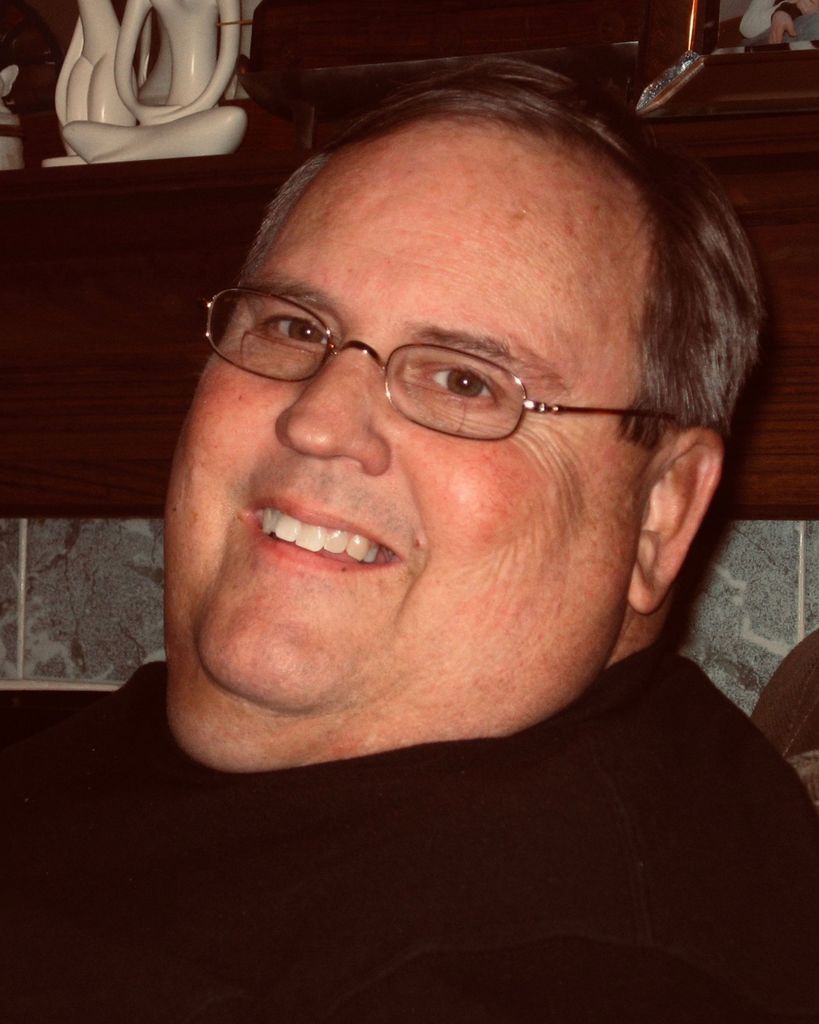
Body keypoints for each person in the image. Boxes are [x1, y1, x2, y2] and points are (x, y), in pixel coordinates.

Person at [2, 59, 818, 1022]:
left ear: (659, 513)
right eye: (293, 326)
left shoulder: (581, 970)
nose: (317, 421)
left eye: (466, 381)